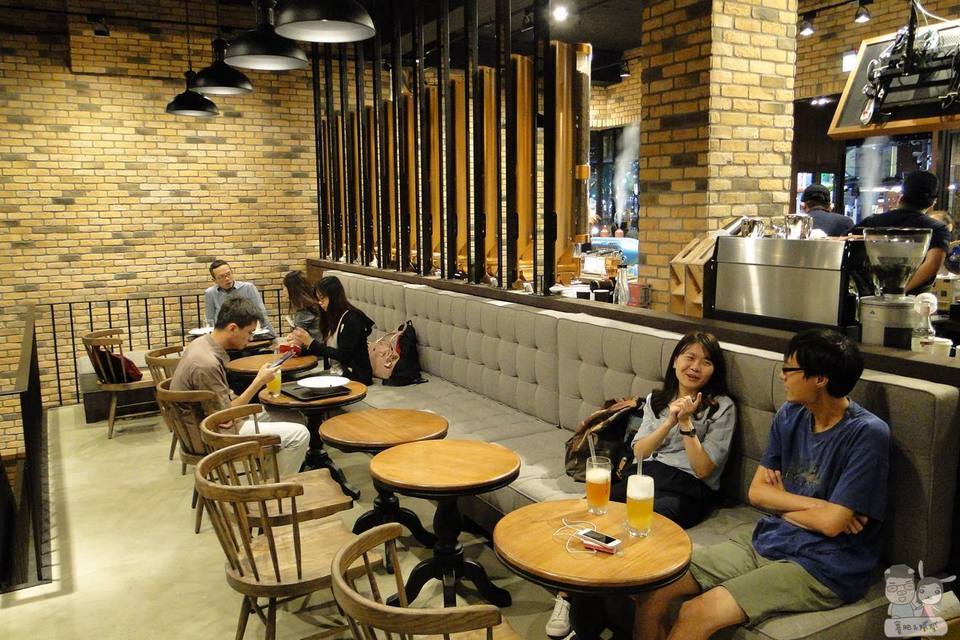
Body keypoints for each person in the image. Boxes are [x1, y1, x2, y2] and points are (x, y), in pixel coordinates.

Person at [632, 328, 890, 640]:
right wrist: (821, 507)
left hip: (826, 563)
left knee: (697, 611)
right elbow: (757, 493)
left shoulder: (867, 434)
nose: (781, 376)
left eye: (789, 369)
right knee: (654, 585)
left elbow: (832, 525)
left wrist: (786, 503)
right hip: (772, 536)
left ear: (820, 379)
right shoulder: (790, 415)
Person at [171, 296, 309, 477]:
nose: (251, 339)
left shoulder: (202, 343)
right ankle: (273, 489)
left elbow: (224, 405)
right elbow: (224, 416)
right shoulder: (206, 364)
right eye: (250, 332)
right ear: (232, 328)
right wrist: (259, 382)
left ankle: (270, 473)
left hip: (209, 422)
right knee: (300, 435)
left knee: (292, 416)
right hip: (212, 435)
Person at [855, 171, 950, 294]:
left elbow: (843, 244)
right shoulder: (937, 228)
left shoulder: (872, 222)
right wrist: (900, 291)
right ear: (933, 201)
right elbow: (932, 264)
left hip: (871, 297)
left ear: (901, 197)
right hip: (915, 299)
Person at [288, 275, 374, 384]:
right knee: (292, 381)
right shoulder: (331, 316)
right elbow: (327, 349)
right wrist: (300, 351)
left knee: (298, 383)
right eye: (318, 299)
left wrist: (311, 342)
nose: (320, 303)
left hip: (355, 376)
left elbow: (343, 355)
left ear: (333, 297)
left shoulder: (352, 318)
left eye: (322, 298)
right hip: (335, 372)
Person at [203, 259, 275, 335]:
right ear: (214, 280)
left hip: (247, 335)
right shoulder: (210, 293)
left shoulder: (248, 288)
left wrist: (272, 336)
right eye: (221, 277)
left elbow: (261, 314)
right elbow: (210, 321)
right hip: (223, 336)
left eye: (228, 274)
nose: (227, 278)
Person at [283, 270, 323, 342]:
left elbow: (298, 339)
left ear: (293, 289)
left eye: (285, 287)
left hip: (314, 347)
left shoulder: (305, 310)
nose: (284, 290)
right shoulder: (308, 304)